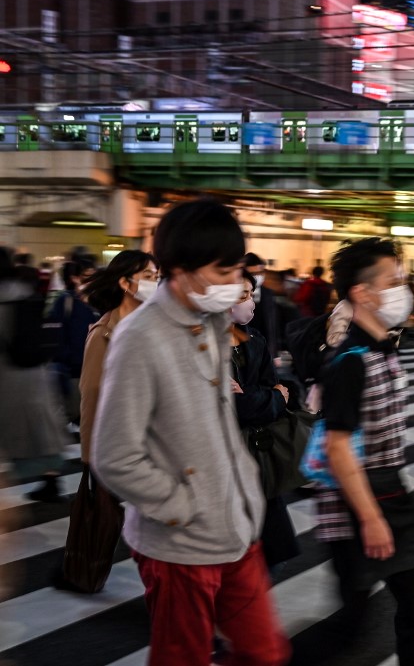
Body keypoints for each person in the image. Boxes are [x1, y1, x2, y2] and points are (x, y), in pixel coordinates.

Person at [91, 199, 290, 666]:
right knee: (182, 658)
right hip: (179, 546)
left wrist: (241, 496)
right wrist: (183, 505)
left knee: (264, 652)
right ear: (179, 270)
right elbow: (114, 455)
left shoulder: (212, 322)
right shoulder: (140, 337)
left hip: (237, 530)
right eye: (223, 272)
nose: (236, 284)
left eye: (239, 271)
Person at [316, 237, 414, 663]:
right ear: (362, 294)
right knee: (352, 622)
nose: (403, 289)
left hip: (387, 487)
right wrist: (370, 518)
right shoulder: (349, 360)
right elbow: (337, 447)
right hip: (357, 497)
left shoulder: (381, 347)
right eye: (394, 281)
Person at [57, 250, 158, 586]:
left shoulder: (155, 325)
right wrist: (89, 456)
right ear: (126, 283)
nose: (155, 282)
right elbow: (92, 396)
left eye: (156, 275)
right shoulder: (103, 333)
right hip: (121, 445)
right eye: (148, 276)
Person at [230, 271, 300, 574]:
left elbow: (275, 391)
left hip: (255, 445)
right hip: (227, 451)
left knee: (265, 523)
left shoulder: (253, 338)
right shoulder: (204, 344)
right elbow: (236, 405)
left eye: (251, 294)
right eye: (243, 295)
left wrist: (266, 397)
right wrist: (268, 397)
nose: (252, 303)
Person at [0, 247, 69, 502]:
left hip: (8, 376)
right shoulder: (24, 292)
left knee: (17, 433)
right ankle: (51, 481)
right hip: (36, 372)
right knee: (42, 431)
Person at [48, 260, 100, 427]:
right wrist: (69, 359)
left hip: (96, 369)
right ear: (75, 278)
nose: (92, 281)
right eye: (87, 276)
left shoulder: (98, 302)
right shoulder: (65, 302)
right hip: (74, 370)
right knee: (77, 413)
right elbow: (56, 335)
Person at [244, 253, 280, 358]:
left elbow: (273, 324)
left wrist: (275, 353)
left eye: (260, 272)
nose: (257, 277)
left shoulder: (268, 294)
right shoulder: (236, 295)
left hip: (265, 350)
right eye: (253, 273)